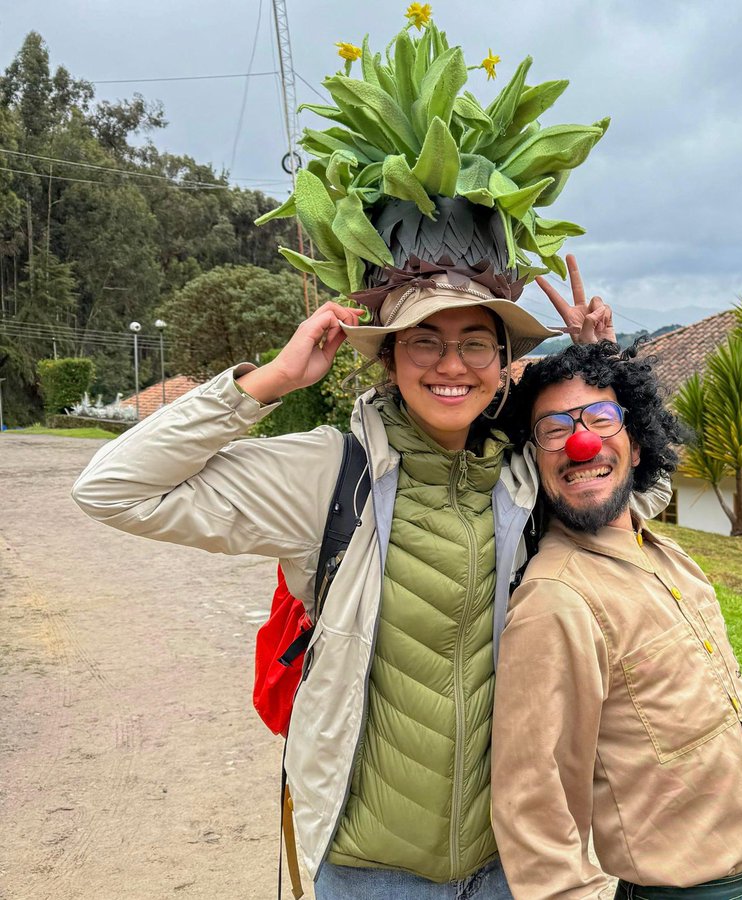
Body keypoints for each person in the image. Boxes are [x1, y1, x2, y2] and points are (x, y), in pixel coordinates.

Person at [71, 257, 666, 898]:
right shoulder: (330, 472)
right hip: (371, 872)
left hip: (514, 863)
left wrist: (608, 374)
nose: (451, 364)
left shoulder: (525, 477)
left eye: (474, 343)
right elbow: (111, 489)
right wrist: (270, 380)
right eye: (424, 342)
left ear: (501, 365)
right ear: (389, 360)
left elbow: (637, 494)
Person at [491, 342, 742, 900]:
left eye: (600, 419)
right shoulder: (555, 600)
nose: (580, 442)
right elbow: (532, 805)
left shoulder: (670, 558)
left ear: (636, 446)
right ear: (535, 459)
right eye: (554, 429)